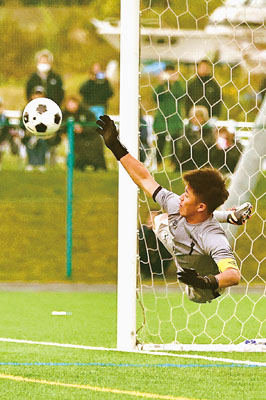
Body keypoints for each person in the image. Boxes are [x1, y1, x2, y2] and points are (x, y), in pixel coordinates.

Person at [96, 115, 252, 304]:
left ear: (201, 206)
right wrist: (116, 146)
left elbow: (233, 275)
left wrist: (206, 281)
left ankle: (227, 217)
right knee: (160, 219)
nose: (181, 197)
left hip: (206, 289)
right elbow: (145, 178)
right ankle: (228, 216)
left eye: (187, 195)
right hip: (184, 256)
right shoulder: (175, 204)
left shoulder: (213, 237)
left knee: (166, 222)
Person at [21, 86, 61, 171]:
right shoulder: (27, 108)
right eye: (36, 94)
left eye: (40, 95)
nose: (37, 97)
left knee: (42, 141)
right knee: (31, 142)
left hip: (48, 135)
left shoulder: (51, 108)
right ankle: (31, 163)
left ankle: (41, 163)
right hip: (30, 134)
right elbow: (22, 123)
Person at [62, 96, 106, 171]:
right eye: (69, 104)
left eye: (73, 104)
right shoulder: (64, 114)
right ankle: (78, 166)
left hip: (91, 137)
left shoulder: (87, 113)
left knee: (94, 148)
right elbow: (62, 126)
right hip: (75, 139)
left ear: (77, 104)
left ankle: (99, 167)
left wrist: (82, 129)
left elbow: (94, 126)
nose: (71, 106)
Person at [152, 65, 185, 166]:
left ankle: (174, 163)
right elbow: (155, 97)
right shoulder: (161, 85)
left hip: (175, 118)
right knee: (160, 141)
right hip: (162, 117)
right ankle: (158, 162)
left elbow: (181, 95)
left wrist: (175, 82)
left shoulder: (179, 85)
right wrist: (161, 83)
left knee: (175, 141)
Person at [179, 105, 215, 171]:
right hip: (189, 155)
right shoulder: (187, 129)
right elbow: (184, 142)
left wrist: (198, 136)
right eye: (195, 117)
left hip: (204, 155)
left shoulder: (209, 129)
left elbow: (210, 141)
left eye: (200, 117)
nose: (197, 120)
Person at [139, 212, 172, 278]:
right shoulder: (143, 230)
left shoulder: (163, 231)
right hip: (146, 259)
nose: (151, 221)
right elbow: (141, 245)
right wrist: (148, 231)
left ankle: (160, 272)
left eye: (153, 219)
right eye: (149, 219)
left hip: (159, 259)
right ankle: (145, 273)